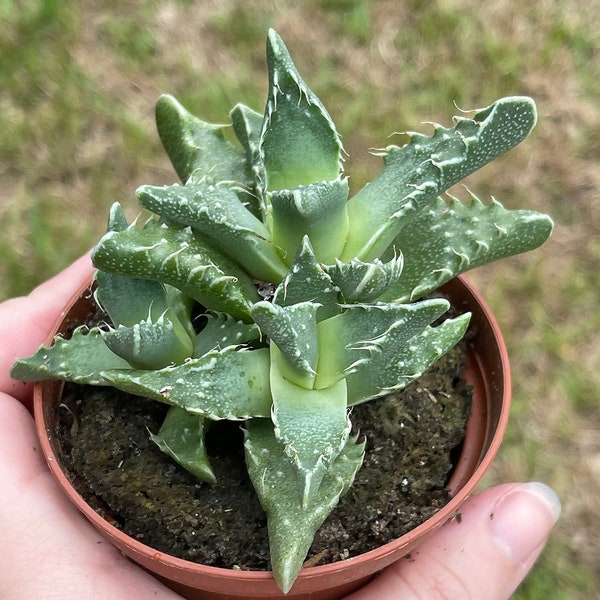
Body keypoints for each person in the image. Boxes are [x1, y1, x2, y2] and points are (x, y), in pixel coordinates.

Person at [0, 255, 561, 599]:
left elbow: (430, 330)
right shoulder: (223, 356)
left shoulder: (356, 347)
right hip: (233, 378)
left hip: (315, 396)